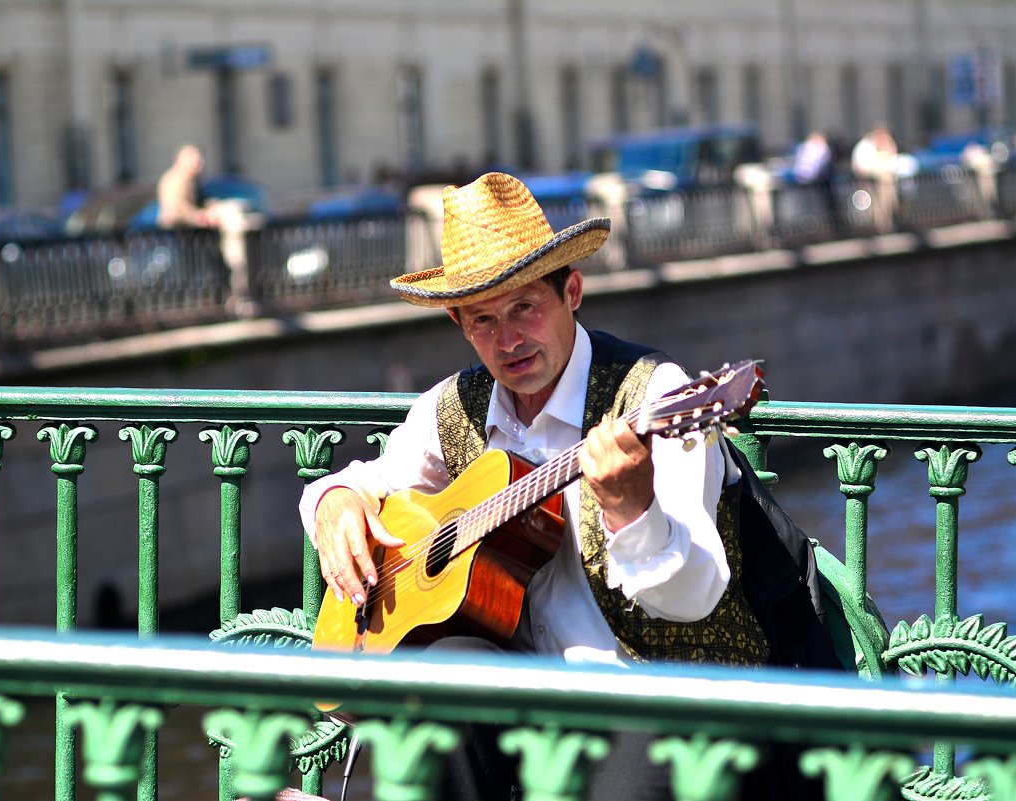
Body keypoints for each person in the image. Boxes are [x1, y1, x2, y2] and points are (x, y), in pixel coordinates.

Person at [299, 172, 839, 801]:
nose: (508, 341)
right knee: (441, 691)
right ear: (459, 323)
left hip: (667, 691)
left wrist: (633, 511)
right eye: (483, 320)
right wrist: (335, 503)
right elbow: (367, 481)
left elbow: (698, 592)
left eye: (525, 307)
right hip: (532, 703)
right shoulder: (455, 408)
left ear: (572, 290)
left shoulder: (657, 397)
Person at [156, 144, 219, 228]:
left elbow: (199, 200)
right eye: (193, 158)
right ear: (180, 160)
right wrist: (198, 216)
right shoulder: (176, 179)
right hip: (176, 232)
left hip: (184, 230)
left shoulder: (192, 179)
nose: (199, 162)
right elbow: (177, 207)